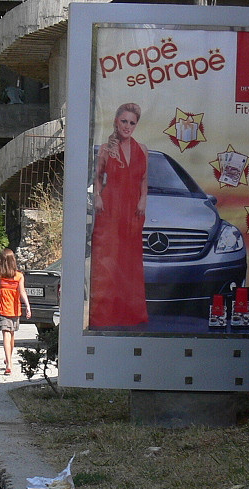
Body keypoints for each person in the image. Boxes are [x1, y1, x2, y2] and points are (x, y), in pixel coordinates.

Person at [89, 102, 149, 328]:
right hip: (111, 207)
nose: (127, 126)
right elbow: (97, 177)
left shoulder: (142, 149)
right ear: (116, 121)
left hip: (133, 209)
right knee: (109, 260)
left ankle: (131, 314)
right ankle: (106, 315)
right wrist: (97, 195)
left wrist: (143, 198)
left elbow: (144, 179)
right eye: (124, 121)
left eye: (132, 123)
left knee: (130, 262)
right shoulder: (106, 149)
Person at [0, 248, 31, 375]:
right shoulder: (19, 276)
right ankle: (8, 360)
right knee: (11, 335)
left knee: (7, 335)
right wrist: (28, 307)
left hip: (3, 309)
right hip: (15, 309)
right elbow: (22, 292)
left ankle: (8, 362)